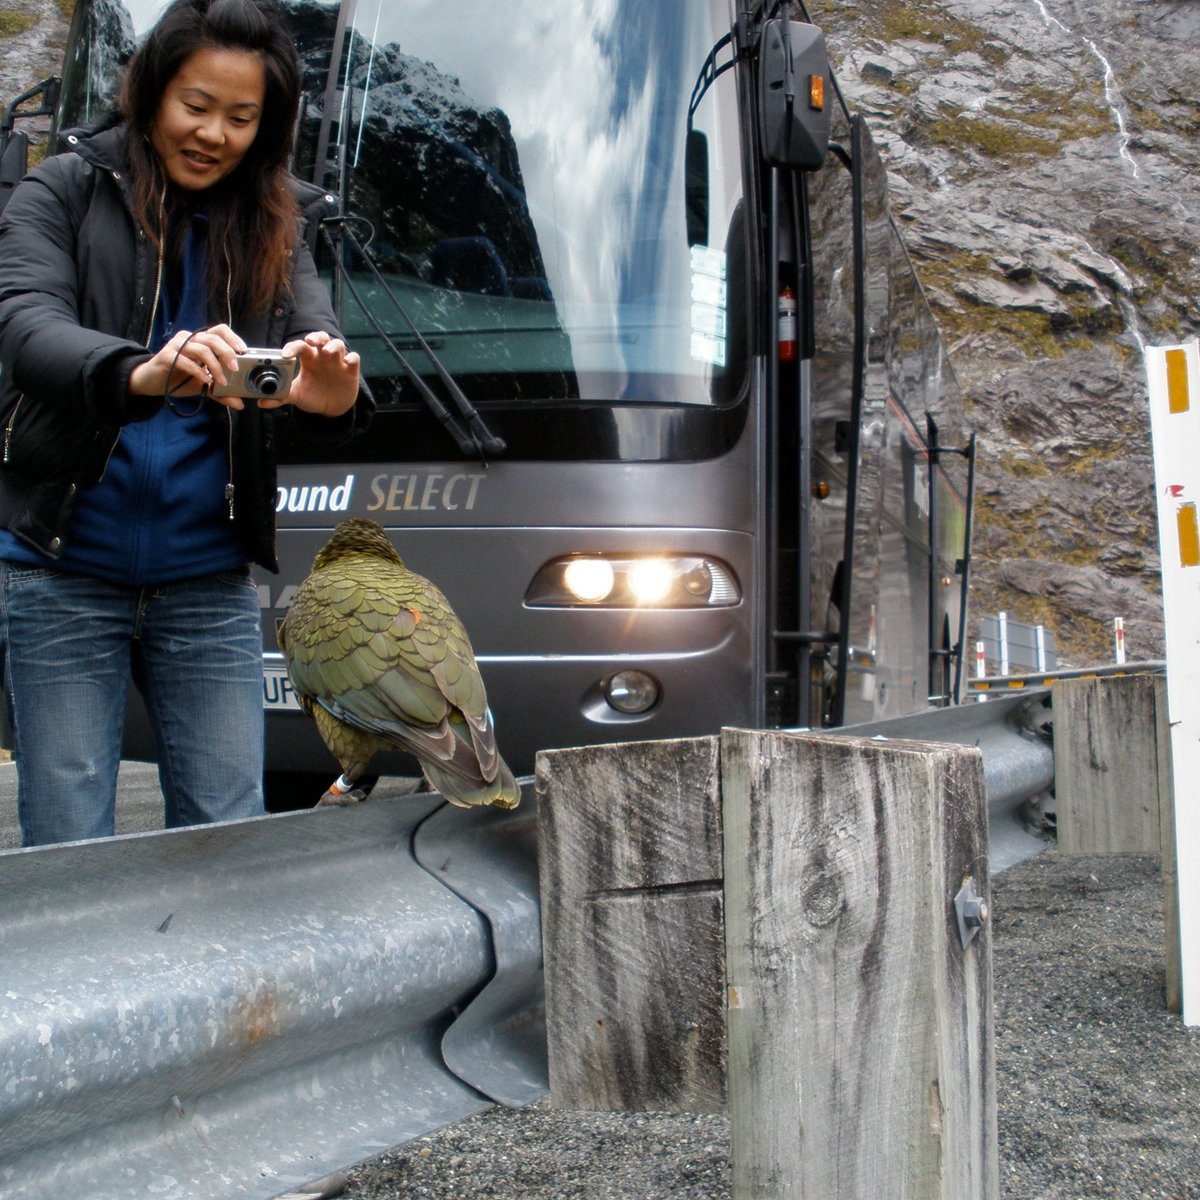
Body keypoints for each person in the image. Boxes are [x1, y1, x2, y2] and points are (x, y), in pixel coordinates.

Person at [0, 0, 373, 847]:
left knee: (227, 842)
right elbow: (25, 329)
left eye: (242, 118)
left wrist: (326, 389)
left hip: (208, 582)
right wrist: (144, 369)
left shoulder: (283, 218)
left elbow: (327, 360)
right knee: (71, 845)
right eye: (195, 106)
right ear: (149, 92)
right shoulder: (60, 186)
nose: (213, 134)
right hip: (59, 569)